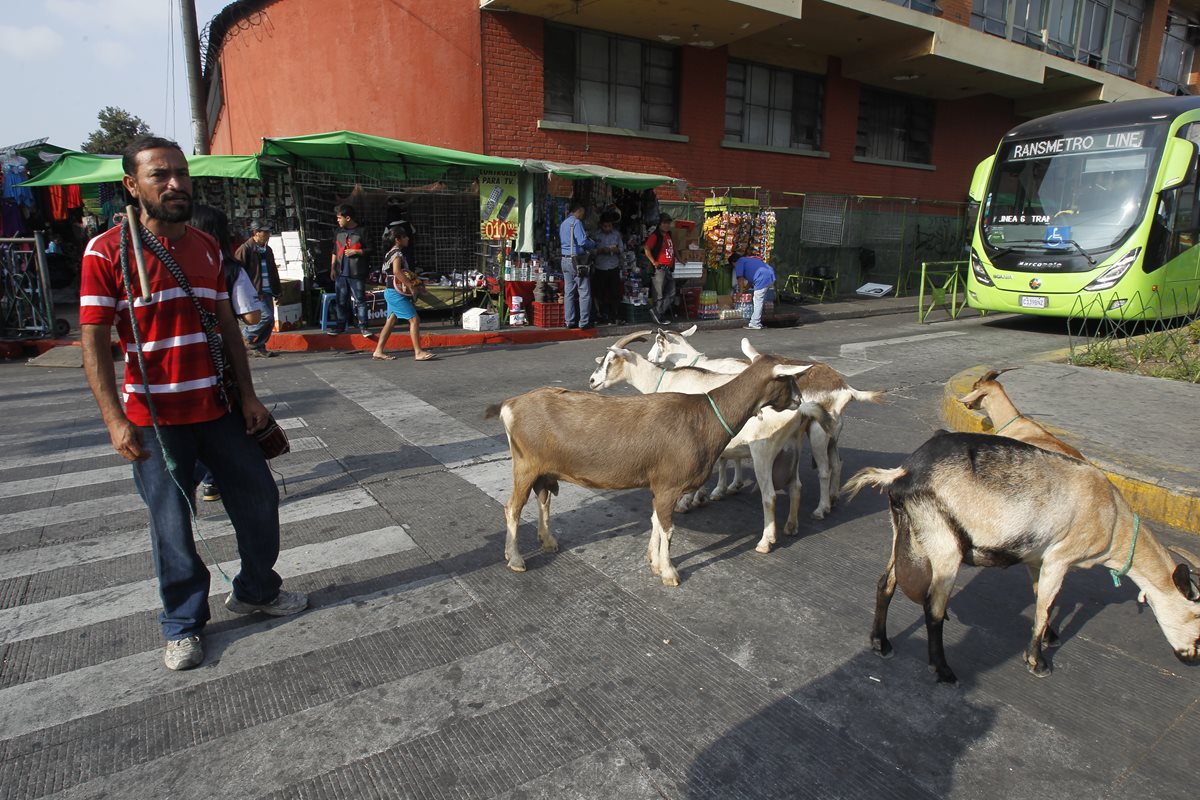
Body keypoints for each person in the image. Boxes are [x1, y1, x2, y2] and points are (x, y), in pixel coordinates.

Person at [79, 136, 307, 673]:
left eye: (181, 173)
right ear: (132, 186)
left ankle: (255, 589)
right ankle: (182, 623)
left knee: (258, 500)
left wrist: (248, 395)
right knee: (172, 526)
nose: (176, 184)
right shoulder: (106, 251)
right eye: (160, 175)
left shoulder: (207, 247)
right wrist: (114, 419)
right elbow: (92, 341)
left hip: (218, 408)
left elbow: (228, 323)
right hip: (156, 420)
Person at [189, 204, 264, 503]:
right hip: (218, 359)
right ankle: (206, 478)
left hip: (180, 363)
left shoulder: (173, 263)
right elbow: (252, 318)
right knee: (221, 423)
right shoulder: (229, 268)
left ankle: (197, 477)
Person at [372, 221, 437, 362]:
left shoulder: (390, 253)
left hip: (390, 291)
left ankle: (378, 351)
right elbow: (397, 271)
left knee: (390, 322)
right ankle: (418, 352)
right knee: (414, 320)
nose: (408, 239)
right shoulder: (397, 253)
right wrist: (411, 286)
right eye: (405, 237)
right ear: (398, 239)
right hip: (395, 293)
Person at [235, 220, 281, 357]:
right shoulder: (245, 249)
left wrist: (277, 291)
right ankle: (245, 336)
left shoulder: (267, 250)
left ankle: (258, 346)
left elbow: (273, 271)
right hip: (254, 292)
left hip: (267, 290)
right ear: (256, 233)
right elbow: (237, 272)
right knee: (265, 317)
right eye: (264, 232)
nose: (268, 235)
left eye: (268, 232)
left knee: (270, 320)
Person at [328, 203, 372, 338]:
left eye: (339, 218)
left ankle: (363, 327)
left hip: (356, 272)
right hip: (341, 273)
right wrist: (332, 267)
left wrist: (357, 251)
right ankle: (341, 326)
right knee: (341, 301)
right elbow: (335, 250)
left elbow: (371, 249)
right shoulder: (338, 232)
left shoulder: (362, 231)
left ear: (347, 218)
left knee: (360, 300)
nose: (337, 220)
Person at [559, 199, 594, 329]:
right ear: (578, 211)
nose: (582, 215)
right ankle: (584, 322)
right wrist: (593, 244)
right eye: (582, 213)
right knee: (584, 291)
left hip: (565, 259)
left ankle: (569, 321)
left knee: (569, 291)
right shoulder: (576, 222)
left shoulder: (563, 224)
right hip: (577, 261)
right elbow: (582, 242)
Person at [592, 208, 624, 324]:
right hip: (600, 267)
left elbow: (621, 249)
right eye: (605, 226)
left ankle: (614, 316)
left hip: (613, 266)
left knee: (614, 292)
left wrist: (615, 250)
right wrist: (600, 250)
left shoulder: (616, 235)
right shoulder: (596, 235)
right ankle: (600, 314)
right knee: (599, 292)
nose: (607, 228)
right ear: (601, 225)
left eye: (609, 226)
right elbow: (591, 251)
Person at [730, 251, 777, 330]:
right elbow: (751, 279)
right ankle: (755, 321)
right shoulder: (748, 260)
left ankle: (755, 323)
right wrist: (746, 289)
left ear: (733, 262)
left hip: (763, 278)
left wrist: (740, 292)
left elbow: (740, 279)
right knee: (759, 299)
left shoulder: (739, 262)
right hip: (769, 275)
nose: (734, 267)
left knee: (757, 300)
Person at [643, 213, 676, 325]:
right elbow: (647, 248)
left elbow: (672, 250)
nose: (667, 225)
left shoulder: (668, 235)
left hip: (668, 268)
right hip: (659, 268)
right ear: (659, 224)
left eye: (668, 223)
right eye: (664, 223)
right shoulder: (655, 235)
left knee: (671, 293)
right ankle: (658, 316)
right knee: (659, 294)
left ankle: (657, 312)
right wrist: (654, 262)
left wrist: (680, 259)